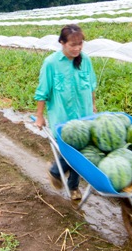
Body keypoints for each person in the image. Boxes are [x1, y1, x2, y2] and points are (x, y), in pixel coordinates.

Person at [34, 24, 97, 200]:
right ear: (62, 43)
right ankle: (57, 172)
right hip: (63, 117)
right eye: (72, 45)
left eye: (80, 44)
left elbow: (91, 85)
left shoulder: (85, 60)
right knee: (72, 150)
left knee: (82, 149)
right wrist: (40, 116)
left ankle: (69, 182)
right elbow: (43, 92)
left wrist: (93, 105)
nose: (77, 48)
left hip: (84, 114)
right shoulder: (51, 63)